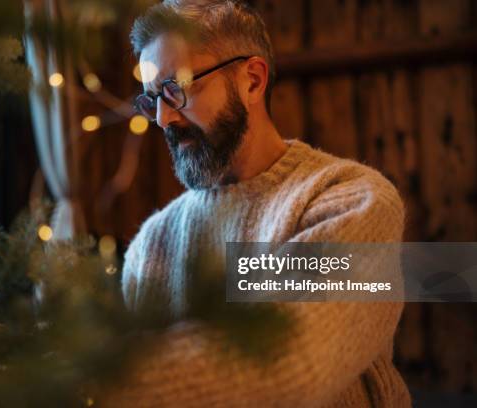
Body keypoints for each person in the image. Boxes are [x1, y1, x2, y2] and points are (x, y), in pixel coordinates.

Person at [107, 1, 411, 406]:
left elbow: (291, 361)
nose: (163, 118)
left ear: (251, 80)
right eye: (153, 99)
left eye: (176, 89)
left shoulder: (350, 200)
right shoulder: (151, 245)